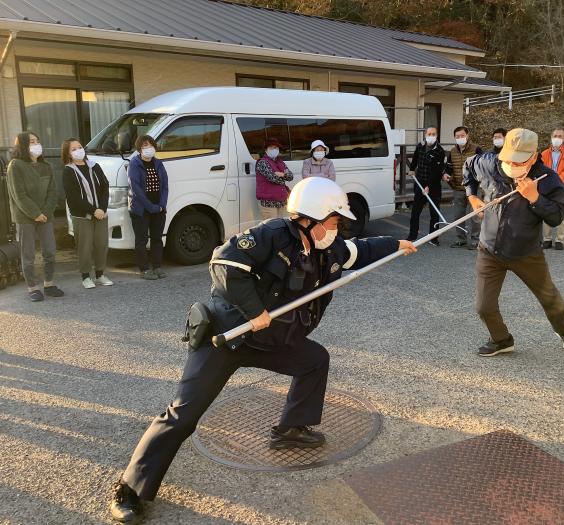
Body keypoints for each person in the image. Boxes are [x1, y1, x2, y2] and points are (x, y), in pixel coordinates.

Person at [108, 177, 417, 523]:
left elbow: (361, 250)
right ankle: (130, 488)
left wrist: (397, 243)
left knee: (315, 360)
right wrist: (255, 312)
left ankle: (292, 429)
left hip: (272, 341)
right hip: (229, 337)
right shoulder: (271, 235)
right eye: (334, 220)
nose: (337, 228)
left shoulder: (328, 248)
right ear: (312, 217)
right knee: (183, 414)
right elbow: (224, 266)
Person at [463, 128, 564, 357]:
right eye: (508, 159)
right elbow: (468, 166)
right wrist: (473, 196)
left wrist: (535, 198)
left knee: (549, 297)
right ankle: (501, 340)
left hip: (527, 252)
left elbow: (556, 216)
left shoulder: (548, 179)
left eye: (518, 161)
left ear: (534, 156)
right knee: (483, 306)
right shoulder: (489, 162)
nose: (512, 165)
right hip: (489, 248)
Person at [6, 132, 63, 302]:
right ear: (22, 145)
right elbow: (19, 195)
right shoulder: (15, 165)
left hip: (45, 216)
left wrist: (45, 212)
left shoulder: (46, 166)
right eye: (31, 142)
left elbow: (53, 192)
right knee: (28, 253)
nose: (36, 144)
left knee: (50, 251)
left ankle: (49, 283)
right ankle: (32, 287)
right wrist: (35, 213)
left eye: (37, 141)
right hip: (25, 217)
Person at [62, 138, 113, 289]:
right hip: (82, 215)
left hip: (101, 214)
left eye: (80, 146)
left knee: (101, 244)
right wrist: (93, 210)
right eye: (74, 149)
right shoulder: (68, 171)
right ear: (68, 154)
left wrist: (102, 209)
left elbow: (105, 186)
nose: (78, 150)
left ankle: (100, 274)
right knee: (84, 246)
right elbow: (73, 197)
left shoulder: (94, 166)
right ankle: (85, 276)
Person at [128, 135, 169, 280]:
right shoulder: (134, 163)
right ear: (139, 148)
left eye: (150, 145)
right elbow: (136, 189)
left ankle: (157, 266)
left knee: (157, 238)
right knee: (142, 240)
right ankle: (144, 269)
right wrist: (150, 207)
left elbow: (165, 186)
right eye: (145, 146)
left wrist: (161, 205)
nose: (148, 148)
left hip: (158, 208)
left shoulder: (158, 163)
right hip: (141, 209)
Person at [443, 126, 482, 249]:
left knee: (475, 216)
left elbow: (483, 166)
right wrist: (446, 174)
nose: (460, 138)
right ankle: (461, 239)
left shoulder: (477, 149)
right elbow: (449, 167)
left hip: (474, 189)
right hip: (458, 188)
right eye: (457, 136)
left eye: (462, 135)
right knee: (458, 216)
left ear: (467, 135)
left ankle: (476, 240)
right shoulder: (453, 151)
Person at [407, 127, 446, 245]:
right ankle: (412, 235)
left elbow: (437, 171)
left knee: (434, 212)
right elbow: (414, 160)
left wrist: (429, 186)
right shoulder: (420, 147)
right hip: (420, 183)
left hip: (433, 185)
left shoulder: (440, 151)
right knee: (415, 211)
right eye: (429, 134)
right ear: (425, 134)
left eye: (433, 134)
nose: (431, 135)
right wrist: (412, 169)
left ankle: (433, 238)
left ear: (437, 135)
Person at [541, 128, 564, 250]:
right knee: (546, 212)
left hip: (562, 187)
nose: (557, 138)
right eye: (555, 135)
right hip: (547, 187)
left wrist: (554, 180)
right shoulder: (544, 154)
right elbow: (541, 170)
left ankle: (560, 239)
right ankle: (547, 238)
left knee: (562, 214)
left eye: (560, 136)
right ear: (551, 137)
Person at [256, 137, 293, 219]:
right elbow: (272, 178)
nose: (274, 150)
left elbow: (290, 176)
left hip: (282, 201)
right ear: (266, 150)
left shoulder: (280, 162)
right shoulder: (262, 162)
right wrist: (284, 175)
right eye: (271, 148)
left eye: (276, 148)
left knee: (283, 226)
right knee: (271, 228)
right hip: (269, 202)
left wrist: (282, 175)